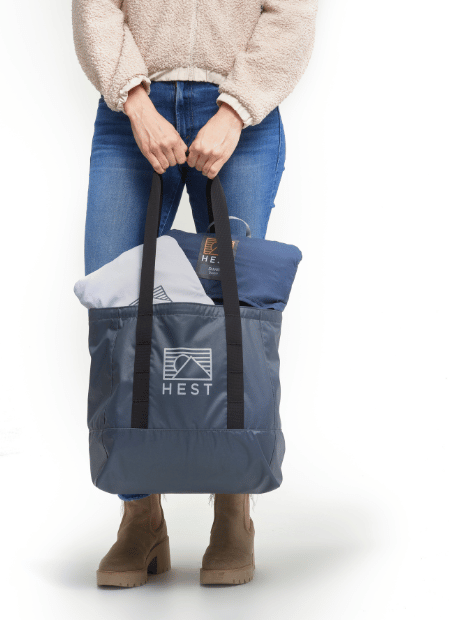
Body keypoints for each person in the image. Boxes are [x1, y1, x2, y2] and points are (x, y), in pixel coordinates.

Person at [72, 0, 318, 587]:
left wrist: (235, 110)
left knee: (238, 311)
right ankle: (140, 517)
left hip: (242, 120)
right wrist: (136, 101)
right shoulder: (133, 106)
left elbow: (290, 13)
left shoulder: (239, 114)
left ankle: (233, 510)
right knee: (115, 307)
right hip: (132, 111)